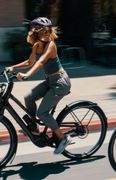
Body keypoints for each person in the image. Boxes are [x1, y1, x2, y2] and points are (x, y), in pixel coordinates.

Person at [6, 17, 72, 155]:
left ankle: (63, 138)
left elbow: (41, 62)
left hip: (60, 82)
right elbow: (30, 61)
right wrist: (13, 68)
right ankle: (34, 129)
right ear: (36, 32)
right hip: (50, 81)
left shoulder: (51, 45)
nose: (47, 33)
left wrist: (27, 75)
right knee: (28, 97)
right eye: (44, 31)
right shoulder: (37, 45)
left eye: (49, 30)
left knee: (42, 113)